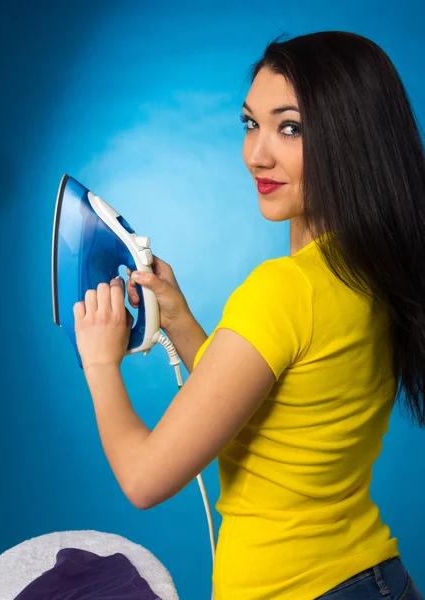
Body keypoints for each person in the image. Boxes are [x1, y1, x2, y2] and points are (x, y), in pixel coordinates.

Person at [73, 31, 425, 600]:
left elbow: (143, 479)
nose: (257, 153)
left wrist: (99, 360)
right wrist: (181, 320)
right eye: (250, 123)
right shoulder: (375, 274)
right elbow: (276, 413)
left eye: (290, 128)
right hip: (377, 579)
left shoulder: (282, 291)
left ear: (350, 137)